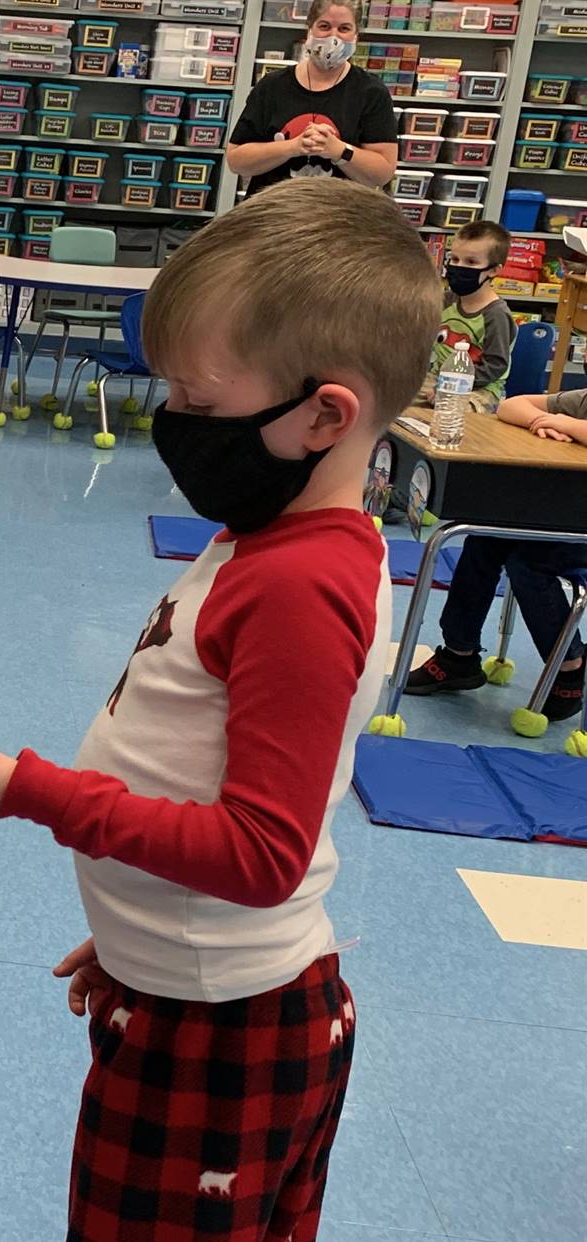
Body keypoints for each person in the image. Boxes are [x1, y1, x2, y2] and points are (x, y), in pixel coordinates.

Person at [0, 178, 440, 1242]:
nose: (174, 422)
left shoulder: (300, 585)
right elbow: (208, 777)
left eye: (198, 400)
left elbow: (258, 850)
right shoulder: (281, 528)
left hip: (229, 1042)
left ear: (324, 413)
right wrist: (137, 932)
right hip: (203, 996)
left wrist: (25, 792)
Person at [405, 386, 587, 723]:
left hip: (579, 531)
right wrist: (542, 420)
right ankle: (459, 654)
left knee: (529, 564)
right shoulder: (582, 401)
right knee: (484, 536)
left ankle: (569, 669)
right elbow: (510, 406)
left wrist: (565, 424)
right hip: (567, 514)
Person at [226, 1, 398, 194]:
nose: (334, 37)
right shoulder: (272, 86)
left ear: (356, 35)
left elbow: (382, 173)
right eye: (324, 26)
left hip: (341, 216)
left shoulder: (371, 92)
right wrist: (292, 147)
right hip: (273, 215)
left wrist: (340, 151)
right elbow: (236, 161)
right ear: (309, 30)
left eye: (344, 28)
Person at [414, 220, 516, 414]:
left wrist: (453, 384)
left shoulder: (496, 315)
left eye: (471, 262)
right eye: (454, 259)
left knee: (450, 410)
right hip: (437, 379)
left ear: (494, 270)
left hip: (480, 389)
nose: (459, 267)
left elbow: (496, 366)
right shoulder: (448, 300)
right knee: (396, 400)